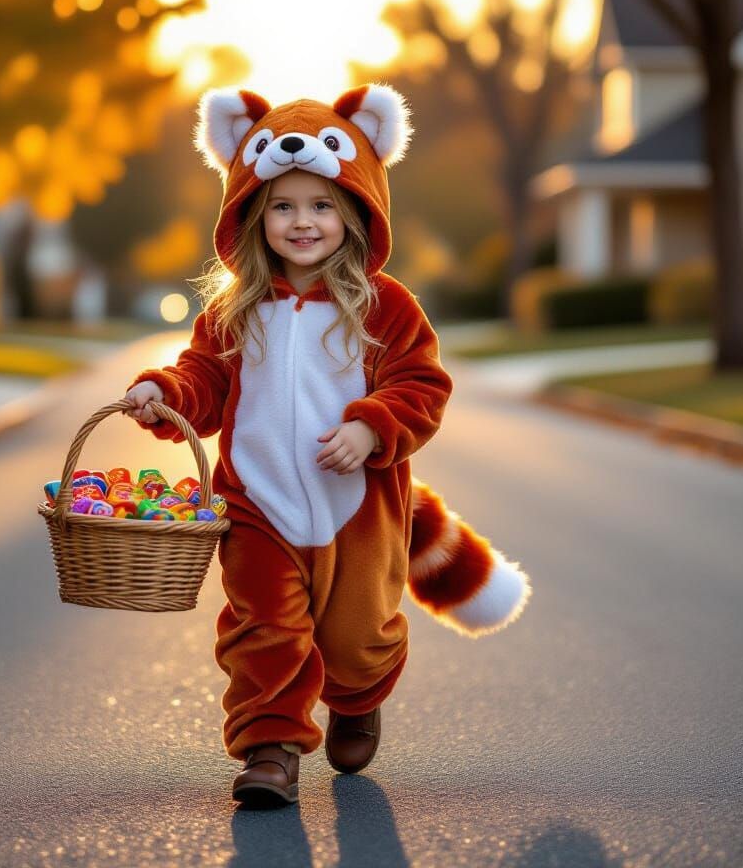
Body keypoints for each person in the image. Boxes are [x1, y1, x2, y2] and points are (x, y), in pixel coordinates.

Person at [123, 85, 529, 809]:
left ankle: (357, 695)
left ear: (355, 210)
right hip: (256, 501)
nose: (301, 221)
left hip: (360, 504)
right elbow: (204, 382)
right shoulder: (231, 310)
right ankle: (270, 746)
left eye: (321, 205)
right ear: (251, 212)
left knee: (356, 634)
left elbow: (423, 385)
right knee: (264, 628)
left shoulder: (387, 305)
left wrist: (373, 425)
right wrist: (164, 395)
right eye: (282, 205)